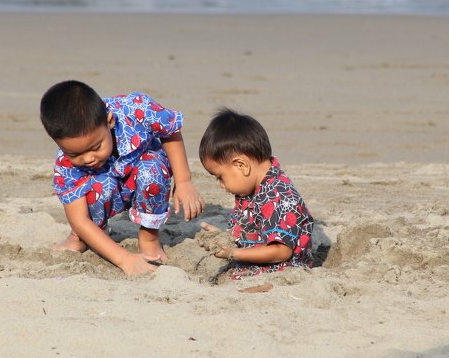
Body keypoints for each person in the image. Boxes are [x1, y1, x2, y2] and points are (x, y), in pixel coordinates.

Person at [40, 80, 204, 276]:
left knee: (152, 168)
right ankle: (83, 238)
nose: (88, 159)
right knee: (89, 205)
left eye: (95, 147)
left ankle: (149, 238)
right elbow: (80, 219)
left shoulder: (136, 109)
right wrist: (125, 259)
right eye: (75, 154)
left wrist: (183, 180)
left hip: (143, 175)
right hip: (104, 189)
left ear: (109, 121)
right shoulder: (65, 165)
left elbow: (170, 131)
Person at [198, 108, 313, 280]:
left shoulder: (278, 197)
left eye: (220, 177)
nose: (221, 186)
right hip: (255, 259)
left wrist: (233, 253)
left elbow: (281, 251)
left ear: (241, 165)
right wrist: (224, 239)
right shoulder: (252, 187)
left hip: (282, 270)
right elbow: (251, 230)